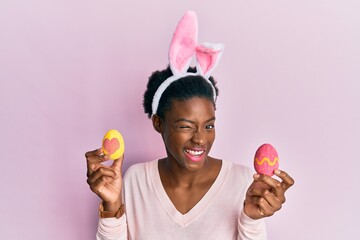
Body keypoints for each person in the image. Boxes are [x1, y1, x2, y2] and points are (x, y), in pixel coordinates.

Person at [85, 11, 294, 240]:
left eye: (209, 126)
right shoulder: (136, 180)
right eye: (186, 126)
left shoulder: (242, 181)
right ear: (158, 123)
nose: (200, 139)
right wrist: (111, 203)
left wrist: (251, 220)